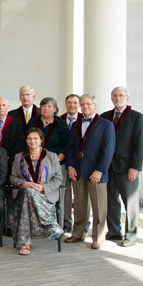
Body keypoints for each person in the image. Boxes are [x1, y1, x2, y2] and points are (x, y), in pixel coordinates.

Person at [65, 94, 115, 249]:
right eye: (83, 104)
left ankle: (98, 237)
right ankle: (78, 233)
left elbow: (108, 150)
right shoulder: (76, 125)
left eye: (88, 104)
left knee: (99, 207)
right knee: (79, 204)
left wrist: (100, 170)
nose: (85, 107)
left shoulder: (106, 125)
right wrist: (70, 166)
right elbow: (71, 147)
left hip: (96, 172)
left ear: (95, 105)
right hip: (78, 170)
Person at [102, 86, 143, 247]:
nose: (117, 98)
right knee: (111, 201)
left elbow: (140, 145)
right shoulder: (105, 117)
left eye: (120, 95)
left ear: (127, 98)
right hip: (108, 167)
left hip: (127, 167)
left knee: (131, 202)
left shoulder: (137, 117)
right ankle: (114, 232)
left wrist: (135, 167)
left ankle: (131, 235)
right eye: (114, 95)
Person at [9, 128, 64, 255]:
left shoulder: (51, 156)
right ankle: (50, 225)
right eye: (29, 138)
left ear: (41, 140)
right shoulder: (19, 157)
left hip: (45, 196)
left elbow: (58, 178)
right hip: (23, 194)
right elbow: (13, 178)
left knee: (27, 200)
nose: (32, 141)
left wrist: (43, 187)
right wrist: (24, 183)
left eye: (35, 138)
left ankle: (26, 244)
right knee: (28, 192)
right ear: (26, 141)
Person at [59, 94, 85, 233]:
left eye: (75, 102)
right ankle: (66, 223)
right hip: (63, 164)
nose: (72, 105)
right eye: (69, 102)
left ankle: (83, 225)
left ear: (79, 104)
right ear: (65, 103)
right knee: (65, 195)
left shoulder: (85, 119)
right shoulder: (60, 119)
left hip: (80, 163)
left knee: (81, 196)